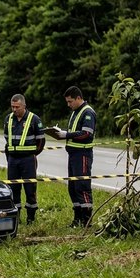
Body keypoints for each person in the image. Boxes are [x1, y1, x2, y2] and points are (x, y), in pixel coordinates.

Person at [55, 86, 97, 227]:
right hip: (73, 154)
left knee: (82, 186)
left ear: (79, 98)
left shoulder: (88, 112)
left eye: (70, 101)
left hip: (83, 155)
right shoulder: (75, 112)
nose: (69, 104)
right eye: (67, 102)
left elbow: (86, 133)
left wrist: (66, 134)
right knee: (73, 187)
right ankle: (77, 218)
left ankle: (87, 220)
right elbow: (75, 132)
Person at [3, 94, 45, 224]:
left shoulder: (34, 119)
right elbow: (6, 138)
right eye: (12, 107)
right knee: (14, 189)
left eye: (17, 107)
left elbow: (41, 141)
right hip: (13, 160)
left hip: (28, 160)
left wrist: (32, 154)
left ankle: (31, 218)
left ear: (24, 106)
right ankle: (16, 217)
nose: (14, 109)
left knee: (30, 189)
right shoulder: (8, 119)